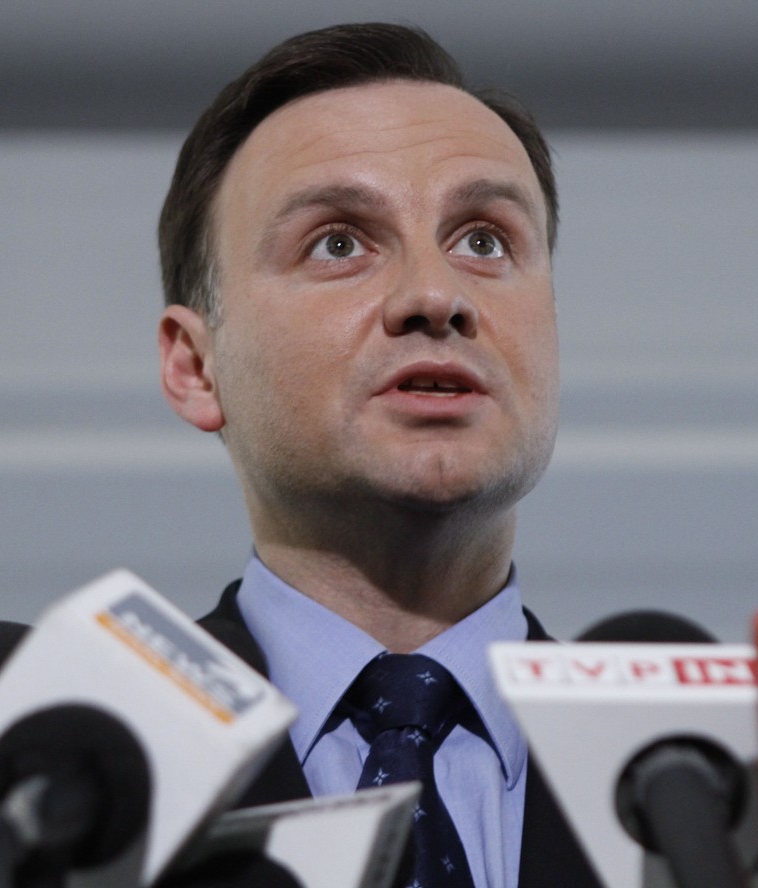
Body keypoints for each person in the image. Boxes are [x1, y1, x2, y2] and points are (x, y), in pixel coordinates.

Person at [157, 22, 600, 888]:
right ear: (197, 367)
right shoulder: (59, 790)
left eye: (484, 240)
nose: (436, 295)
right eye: (338, 242)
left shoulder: (724, 814)